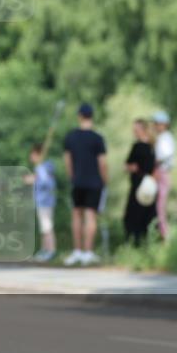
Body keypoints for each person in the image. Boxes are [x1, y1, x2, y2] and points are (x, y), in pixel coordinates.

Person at [63, 103, 107, 266]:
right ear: (92, 116)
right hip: (94, 182)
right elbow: (102, 163)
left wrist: (72, 177)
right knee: (90, 217)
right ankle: (88, 253)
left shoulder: (71, 137)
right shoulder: (98, 138)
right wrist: (104, 180)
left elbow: (67, 161)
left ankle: (77, 251)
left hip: (78, 181)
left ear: (80, 116)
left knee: (76, 215)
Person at [123, 119, 156, 247]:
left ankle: (133, 244)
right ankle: (147, 244)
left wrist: (131, 168)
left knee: (131, 217)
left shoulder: (137, 146)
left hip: (139, 185)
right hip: (150, 185)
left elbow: (129, 166)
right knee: (147, 216)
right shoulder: (152, 147)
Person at [24, 143, 57, 263]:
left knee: (47, 227)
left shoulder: (42, 168)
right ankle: (44, 250)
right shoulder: (43, 168)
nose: (31, 157)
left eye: (32, 155)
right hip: (43, 201)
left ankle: (50, 250)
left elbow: (46, 183)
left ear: (38, 154)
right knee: (44, 228)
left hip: (45, 201)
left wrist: (34, 179)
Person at [152, 110, 176, 239]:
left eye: (158, 123)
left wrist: (152, 162)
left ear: (164, 124)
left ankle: (165, 236)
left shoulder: (165, 138)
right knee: (157, 207)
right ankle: (160, 235)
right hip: (160, 173)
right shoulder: (162, 137)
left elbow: (163, 156)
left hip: (162, 173)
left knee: (160, 208)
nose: (156, 126)